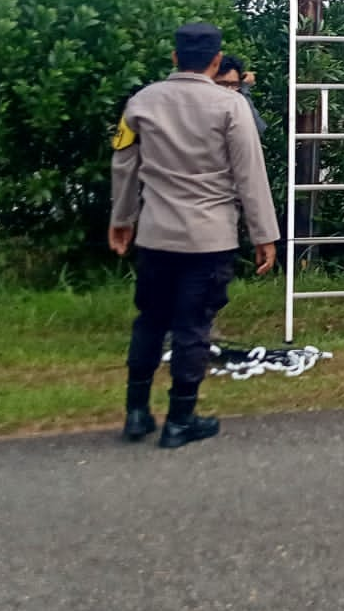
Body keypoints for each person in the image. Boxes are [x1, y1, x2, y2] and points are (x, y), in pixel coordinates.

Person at [110, 22, 280, 449]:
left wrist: (122, 218)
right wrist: (264, 234)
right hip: (209, 239)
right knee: (192, 327)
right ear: (217, 61)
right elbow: (249, 176)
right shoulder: (231, 106)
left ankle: (136, 413)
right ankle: (180, 419)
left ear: (174, 58)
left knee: (149, 321)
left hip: (155, 235)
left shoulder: (141, 102)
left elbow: (124, 165)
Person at [215, 54, 268, 135]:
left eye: (234, 84)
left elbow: (258, 129)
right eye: (223, 84)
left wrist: (244, 89)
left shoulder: (237, 102)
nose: (229, 90)